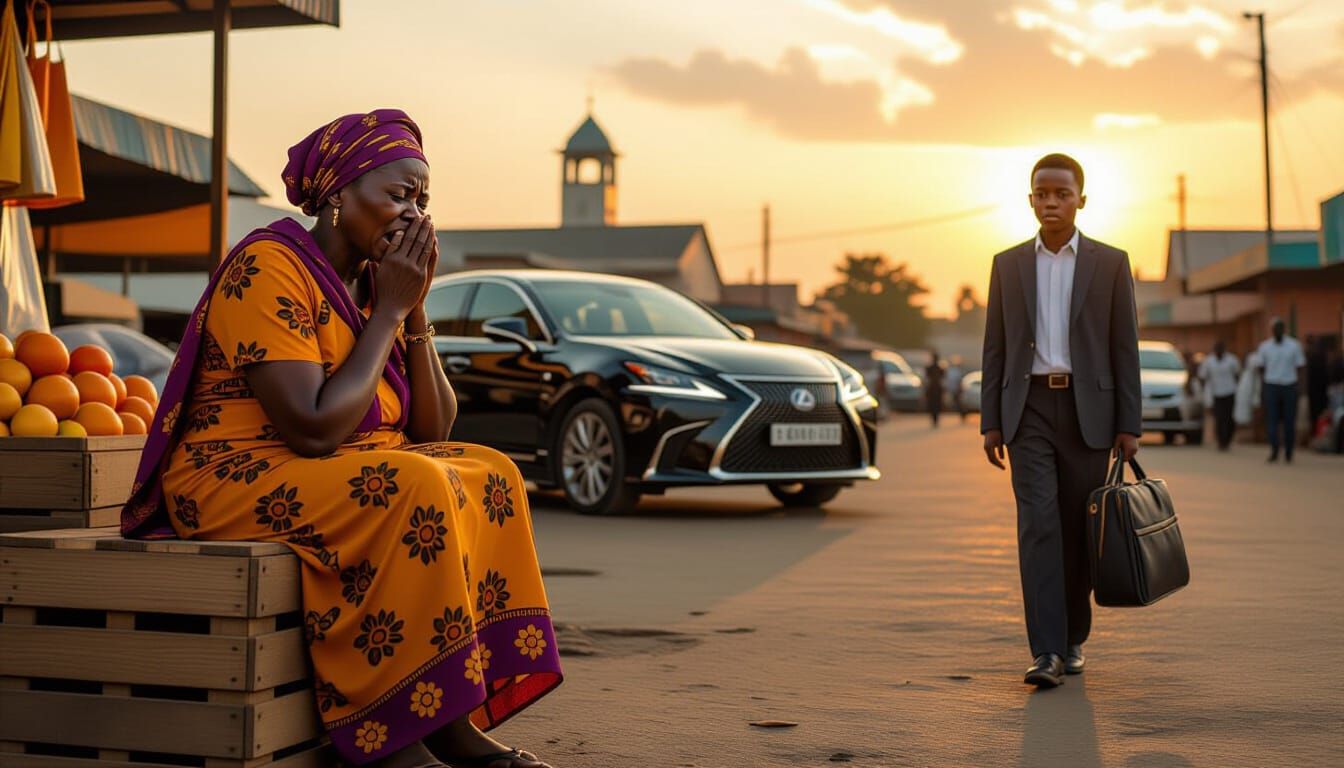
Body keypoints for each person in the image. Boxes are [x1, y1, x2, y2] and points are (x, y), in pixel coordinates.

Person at [121, 111, 561, 768]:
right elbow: (313, 426)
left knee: (489, 472)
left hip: (338, 465)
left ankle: (449, 721)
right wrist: (388, 311)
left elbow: (433, 429)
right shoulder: (268, 266)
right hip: (231, 475)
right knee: (414, 483)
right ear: (335, 196)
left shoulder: (372, 285)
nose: (414, 216)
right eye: (399, 195)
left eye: (423, 201)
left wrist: (412, 308)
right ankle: (393, 736)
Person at [980, 153, 1141, 688]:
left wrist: (1130, 424)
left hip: (1088, 413)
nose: (1051, 202)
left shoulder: (1111, 262)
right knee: (1039, 527)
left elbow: (1125, 348)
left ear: (1081, 201)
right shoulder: (1007, 265)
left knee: (1079, 529)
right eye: (1042, 194)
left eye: (1062, 194)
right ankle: (1046, 650)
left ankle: (1073, 637)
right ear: (1030, 201)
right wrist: (991, 421)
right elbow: (996, 348)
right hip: (1027, 413)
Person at [1256, 318, 1307, 463]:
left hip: (1289, 385)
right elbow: (1261, 368)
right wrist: (1263, 388)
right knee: (1272, 420)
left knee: (1289, 421)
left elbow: (1301, 367)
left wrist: (1301, 388)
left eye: (1280, 328)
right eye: (1275, 328)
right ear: (1272, 330)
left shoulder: (1294, 346)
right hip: (1271, 385)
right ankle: (1274, 450)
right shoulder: (1264, 347)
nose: (1277, 331)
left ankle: (1289, 452)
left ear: (1284, 329)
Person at [1198, 340, 1241, 450]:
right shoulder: (1209, 361)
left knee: (1229, 418)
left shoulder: (1232, 360)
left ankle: (1228, 439)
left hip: (1230, 392)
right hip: (1216, 393)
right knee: (1219, 418)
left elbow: (1237, 374)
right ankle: (1221, 441)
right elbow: (1202, 376)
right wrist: (1204, 390)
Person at [924, 352, 946, 427]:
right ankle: (935, 419)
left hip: (934, 388)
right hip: (935, 388)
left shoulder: (935, 368)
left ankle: (935, 419)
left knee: (934, 404)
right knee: (935, 404)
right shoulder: (939, 368)